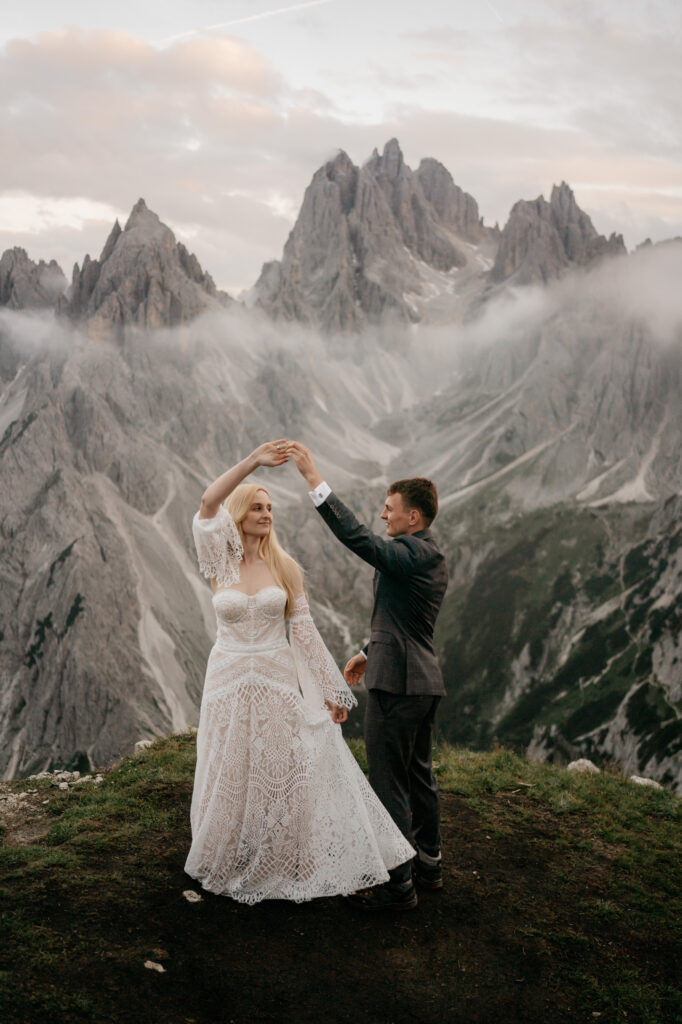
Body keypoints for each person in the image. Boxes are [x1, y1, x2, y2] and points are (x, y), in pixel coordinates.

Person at [185, 440, 414, 905]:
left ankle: (277, 855)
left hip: (275, 677)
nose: (266, 514)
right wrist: (253, 461)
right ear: (239, 514)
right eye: (257, 507)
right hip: (227, 679)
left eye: (270, 508)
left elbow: (305, 635)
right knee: (229, 765)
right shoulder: (219, 562)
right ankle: (230, 852)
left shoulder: (285, 568)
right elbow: (207, 503)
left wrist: (331, 691)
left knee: (278, 767)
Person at [286, 441, 448, 911]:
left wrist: (314, 480)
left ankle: (398, 884)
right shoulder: (428, 555)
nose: (383, 515)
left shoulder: (409, 552)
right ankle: (429, 865)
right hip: (421, 681)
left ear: (412, 517)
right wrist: (365, 652)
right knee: (418, 775)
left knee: (387, 781)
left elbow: (359, 539)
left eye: (390, 509)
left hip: (398, 685)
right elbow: (406, 623)